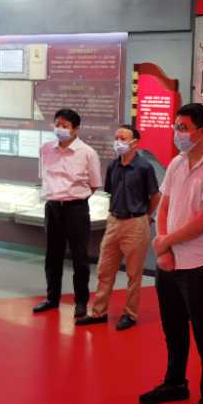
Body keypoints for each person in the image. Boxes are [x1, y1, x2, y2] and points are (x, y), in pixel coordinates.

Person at [139, 103, 203, 404]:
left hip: (202, 263)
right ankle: (175, 382)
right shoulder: (178, 162)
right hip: (170, 261)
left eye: (183, 128)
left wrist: (166, 242)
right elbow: (164, 206)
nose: (177, 134)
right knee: (173, 328)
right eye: (176, 127)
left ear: (202, 132)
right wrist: (164, 247)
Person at [77, 124, 160, 330]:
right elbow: (111, 192)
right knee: (104, 270)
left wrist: (147, 216)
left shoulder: (144, 167)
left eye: (123, 138)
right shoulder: (113, 165)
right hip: (114, 221)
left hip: (136, 223)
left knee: (133, 273)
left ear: (134, 143)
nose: (118, 142)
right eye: (117, 138)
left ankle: (130, 314)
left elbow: (155, 195)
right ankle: (99, 312)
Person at [34, 108, 102, 318]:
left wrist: (74, 198)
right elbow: (43, 176)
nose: (60, 129)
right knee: (52, 256)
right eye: (57, 124)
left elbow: (94, 184)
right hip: (53, 207)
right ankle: (51, 298)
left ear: (76, 129)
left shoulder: (87, 152)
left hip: (76, 209)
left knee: (80, 258)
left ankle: (80, 302)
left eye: (65, 126)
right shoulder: (46, 149)